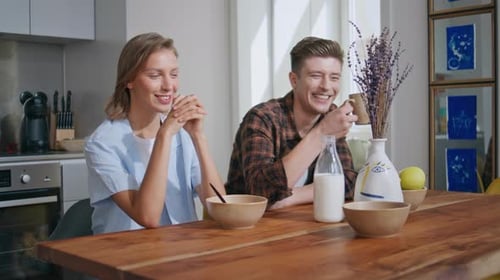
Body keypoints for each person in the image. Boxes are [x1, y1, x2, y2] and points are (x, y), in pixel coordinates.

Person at [85, 32, 225, 234]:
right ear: (129, 80)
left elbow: (219, 207)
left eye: (174, 74)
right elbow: (148, 217)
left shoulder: (183, 134)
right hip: (126, 255)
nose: (169, 86)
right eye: (155, 75)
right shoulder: (102, 143)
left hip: (183, 251)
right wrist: (164, 135)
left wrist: (198, 137)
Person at [226, 36, 358, 209]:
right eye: (316, 76)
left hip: (303, 224)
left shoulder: (331, 115)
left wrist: (287, 198)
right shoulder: (262, 118)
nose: (326, 86)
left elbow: (347, 182)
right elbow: (259, 193)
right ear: (294, 80)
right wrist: (321, 133)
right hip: (249, 229)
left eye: (334, 77)